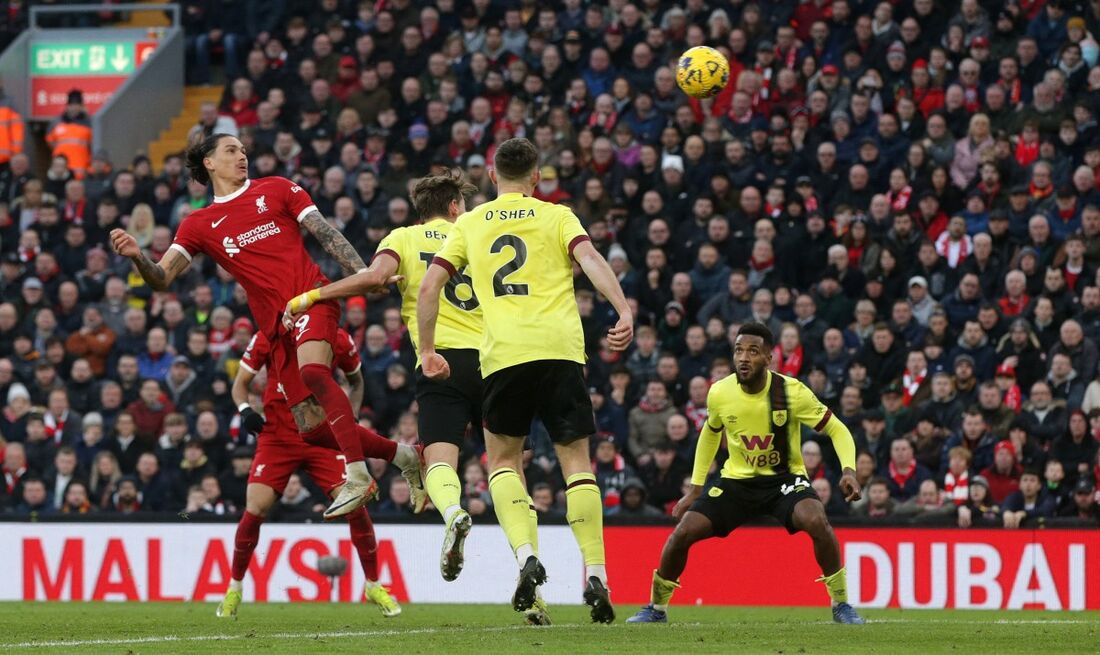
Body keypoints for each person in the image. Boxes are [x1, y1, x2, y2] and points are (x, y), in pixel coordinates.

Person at [109, 133, 423, 520]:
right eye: (231, 150)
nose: (242, 156)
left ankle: (358, 474)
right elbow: (161, 278)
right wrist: (138, 256)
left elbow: (325, 233)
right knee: (312, 430)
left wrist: (364, 274)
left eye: (243, 150)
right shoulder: (198, 224)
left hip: (312, 297)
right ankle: (405, 455)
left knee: (314, 372)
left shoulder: (277, 189)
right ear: (208, 162)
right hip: (277, 327)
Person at [417, 138, 633, 623]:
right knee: (577, 463)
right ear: (537, 177)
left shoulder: (470, 223)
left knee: (504, 461)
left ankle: (525, 557)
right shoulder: (557, 216)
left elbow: (430, 285)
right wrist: (622, 309)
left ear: (493, 177)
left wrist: (428, 350)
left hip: (503, 358)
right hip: (560, 351)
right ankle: (595, 572)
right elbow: (593, 260)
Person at [283, 172, 488, 598]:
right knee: (509, 464)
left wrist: (310, 297)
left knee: (439, 461)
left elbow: (373, 278)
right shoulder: (477, 231)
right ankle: (530, 567)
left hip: (440, 360)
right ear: (455, 207)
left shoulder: (404, 239)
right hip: (498, 359)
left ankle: (452, 511)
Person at [627, 323, 865, 625]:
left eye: (753, 351)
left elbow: (836, 428)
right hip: (737, 482)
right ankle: (656, 609)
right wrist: (696, 488)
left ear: (769, 357)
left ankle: (841, 604)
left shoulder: (791, 392)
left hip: (784, 481)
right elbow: (710, 434)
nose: (744, 357)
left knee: (816, 519)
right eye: (739, 350)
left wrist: (848, 470)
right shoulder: (720, 393)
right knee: (683, 532)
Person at [217, 327, 400, 619]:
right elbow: (240, 384)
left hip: (323, 436)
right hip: (277, 436)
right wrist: (244, 410)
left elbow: (357, 381)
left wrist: (347, 420)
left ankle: (373, 584)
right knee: (255, 507)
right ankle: (234, 588)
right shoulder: (268, 334)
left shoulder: (337, 337)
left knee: (356, 503)